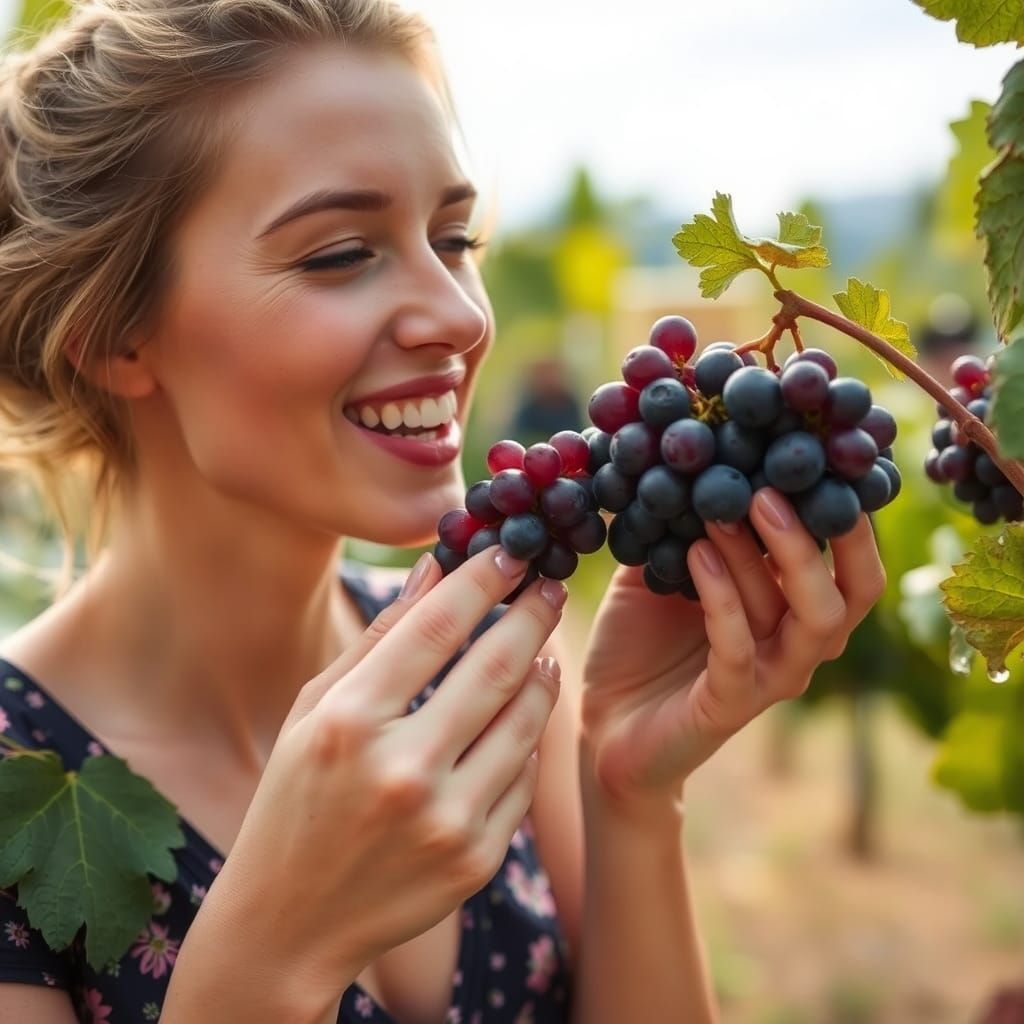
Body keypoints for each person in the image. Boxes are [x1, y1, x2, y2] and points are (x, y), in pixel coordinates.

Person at [0, 0, 888, 1020]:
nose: (464, 316)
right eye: (339, 253)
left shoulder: (487, 676)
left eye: (455, 236)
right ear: (116, 338)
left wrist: (629, 788)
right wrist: (266, 955)